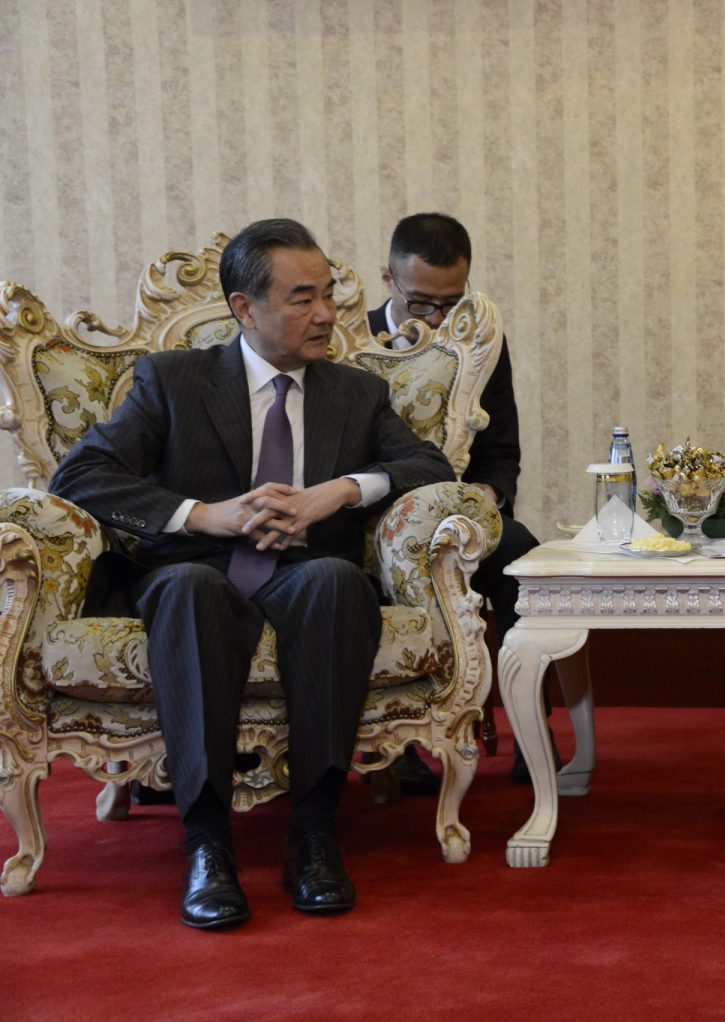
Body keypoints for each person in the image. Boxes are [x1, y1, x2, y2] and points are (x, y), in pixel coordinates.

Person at [51, 218, 455, 930]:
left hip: (302, 572)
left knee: (335, 582)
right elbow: (80, 475)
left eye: (328, 295)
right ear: (244, 307)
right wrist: (207, 515)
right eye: (303, 299)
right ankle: (207, 844)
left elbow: (430, 466)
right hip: (197, 568)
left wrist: (339, 491)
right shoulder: (172, 380)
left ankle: (314, 834)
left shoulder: (355, 393)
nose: (326, 314)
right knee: (189, 590)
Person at [368, 213, 545, 790]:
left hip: (462, 516)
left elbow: (501, 452)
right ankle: (390, 746)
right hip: (373, 523)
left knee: (525, 564)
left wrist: (481, 502)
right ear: (388, 280)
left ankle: (533, 734)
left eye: (452, 301)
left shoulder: (481, 343)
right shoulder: (352, 341)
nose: (438, 319)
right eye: (421, 303)